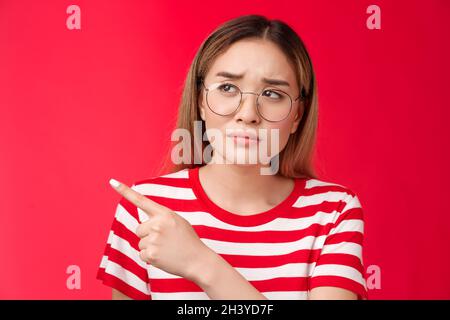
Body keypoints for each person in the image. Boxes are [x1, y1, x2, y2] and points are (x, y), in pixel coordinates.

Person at [96, 14, 368, 300]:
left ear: (297, 116)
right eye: (227, 88)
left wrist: (200, 263)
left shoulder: (333, 211)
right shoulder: (146, 210)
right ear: (201, 100)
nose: (248, 114)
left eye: (273, 94)